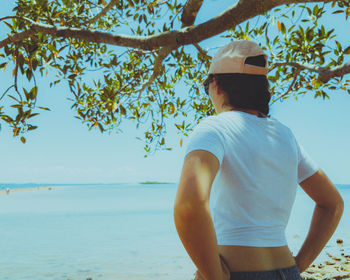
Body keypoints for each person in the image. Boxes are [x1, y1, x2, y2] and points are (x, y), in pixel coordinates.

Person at [173, 40, 344, 280]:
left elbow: (189, 206)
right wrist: (299, 265)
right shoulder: (285, 135)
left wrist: (214, 275)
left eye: (207, 86)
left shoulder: (214, 128)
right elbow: (332, 204)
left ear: (217, 85)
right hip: (287, 272)